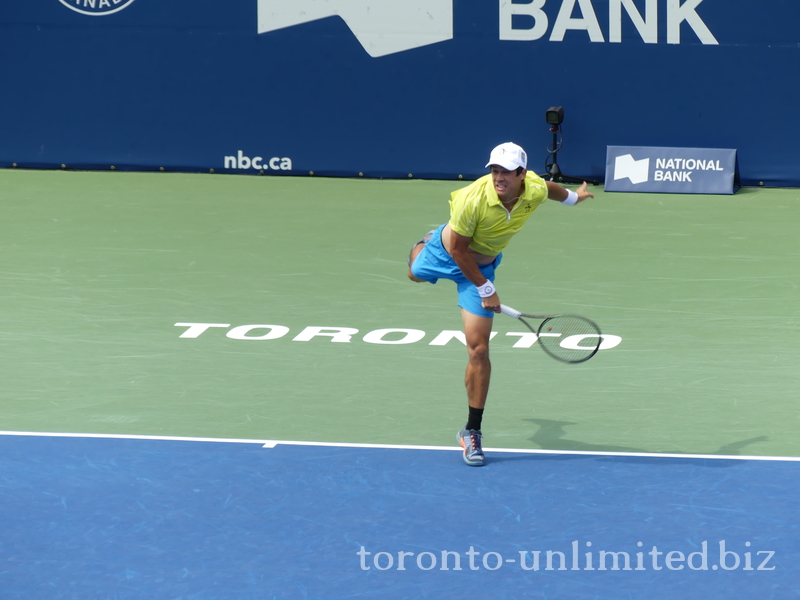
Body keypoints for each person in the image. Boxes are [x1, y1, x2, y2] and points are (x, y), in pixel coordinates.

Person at [407, 142, 594, 466]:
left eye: (506, 171)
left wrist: (576, 197)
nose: (498, 177)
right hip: (447, 252)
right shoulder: (471, 199)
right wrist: (486, 288)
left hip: (480, 269)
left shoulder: (532, 188)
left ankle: (472, 431)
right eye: (494, 170)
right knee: (414, 273)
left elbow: (551, 190)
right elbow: (459, 252)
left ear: (522, 174)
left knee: (479, 350)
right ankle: (425, 240)